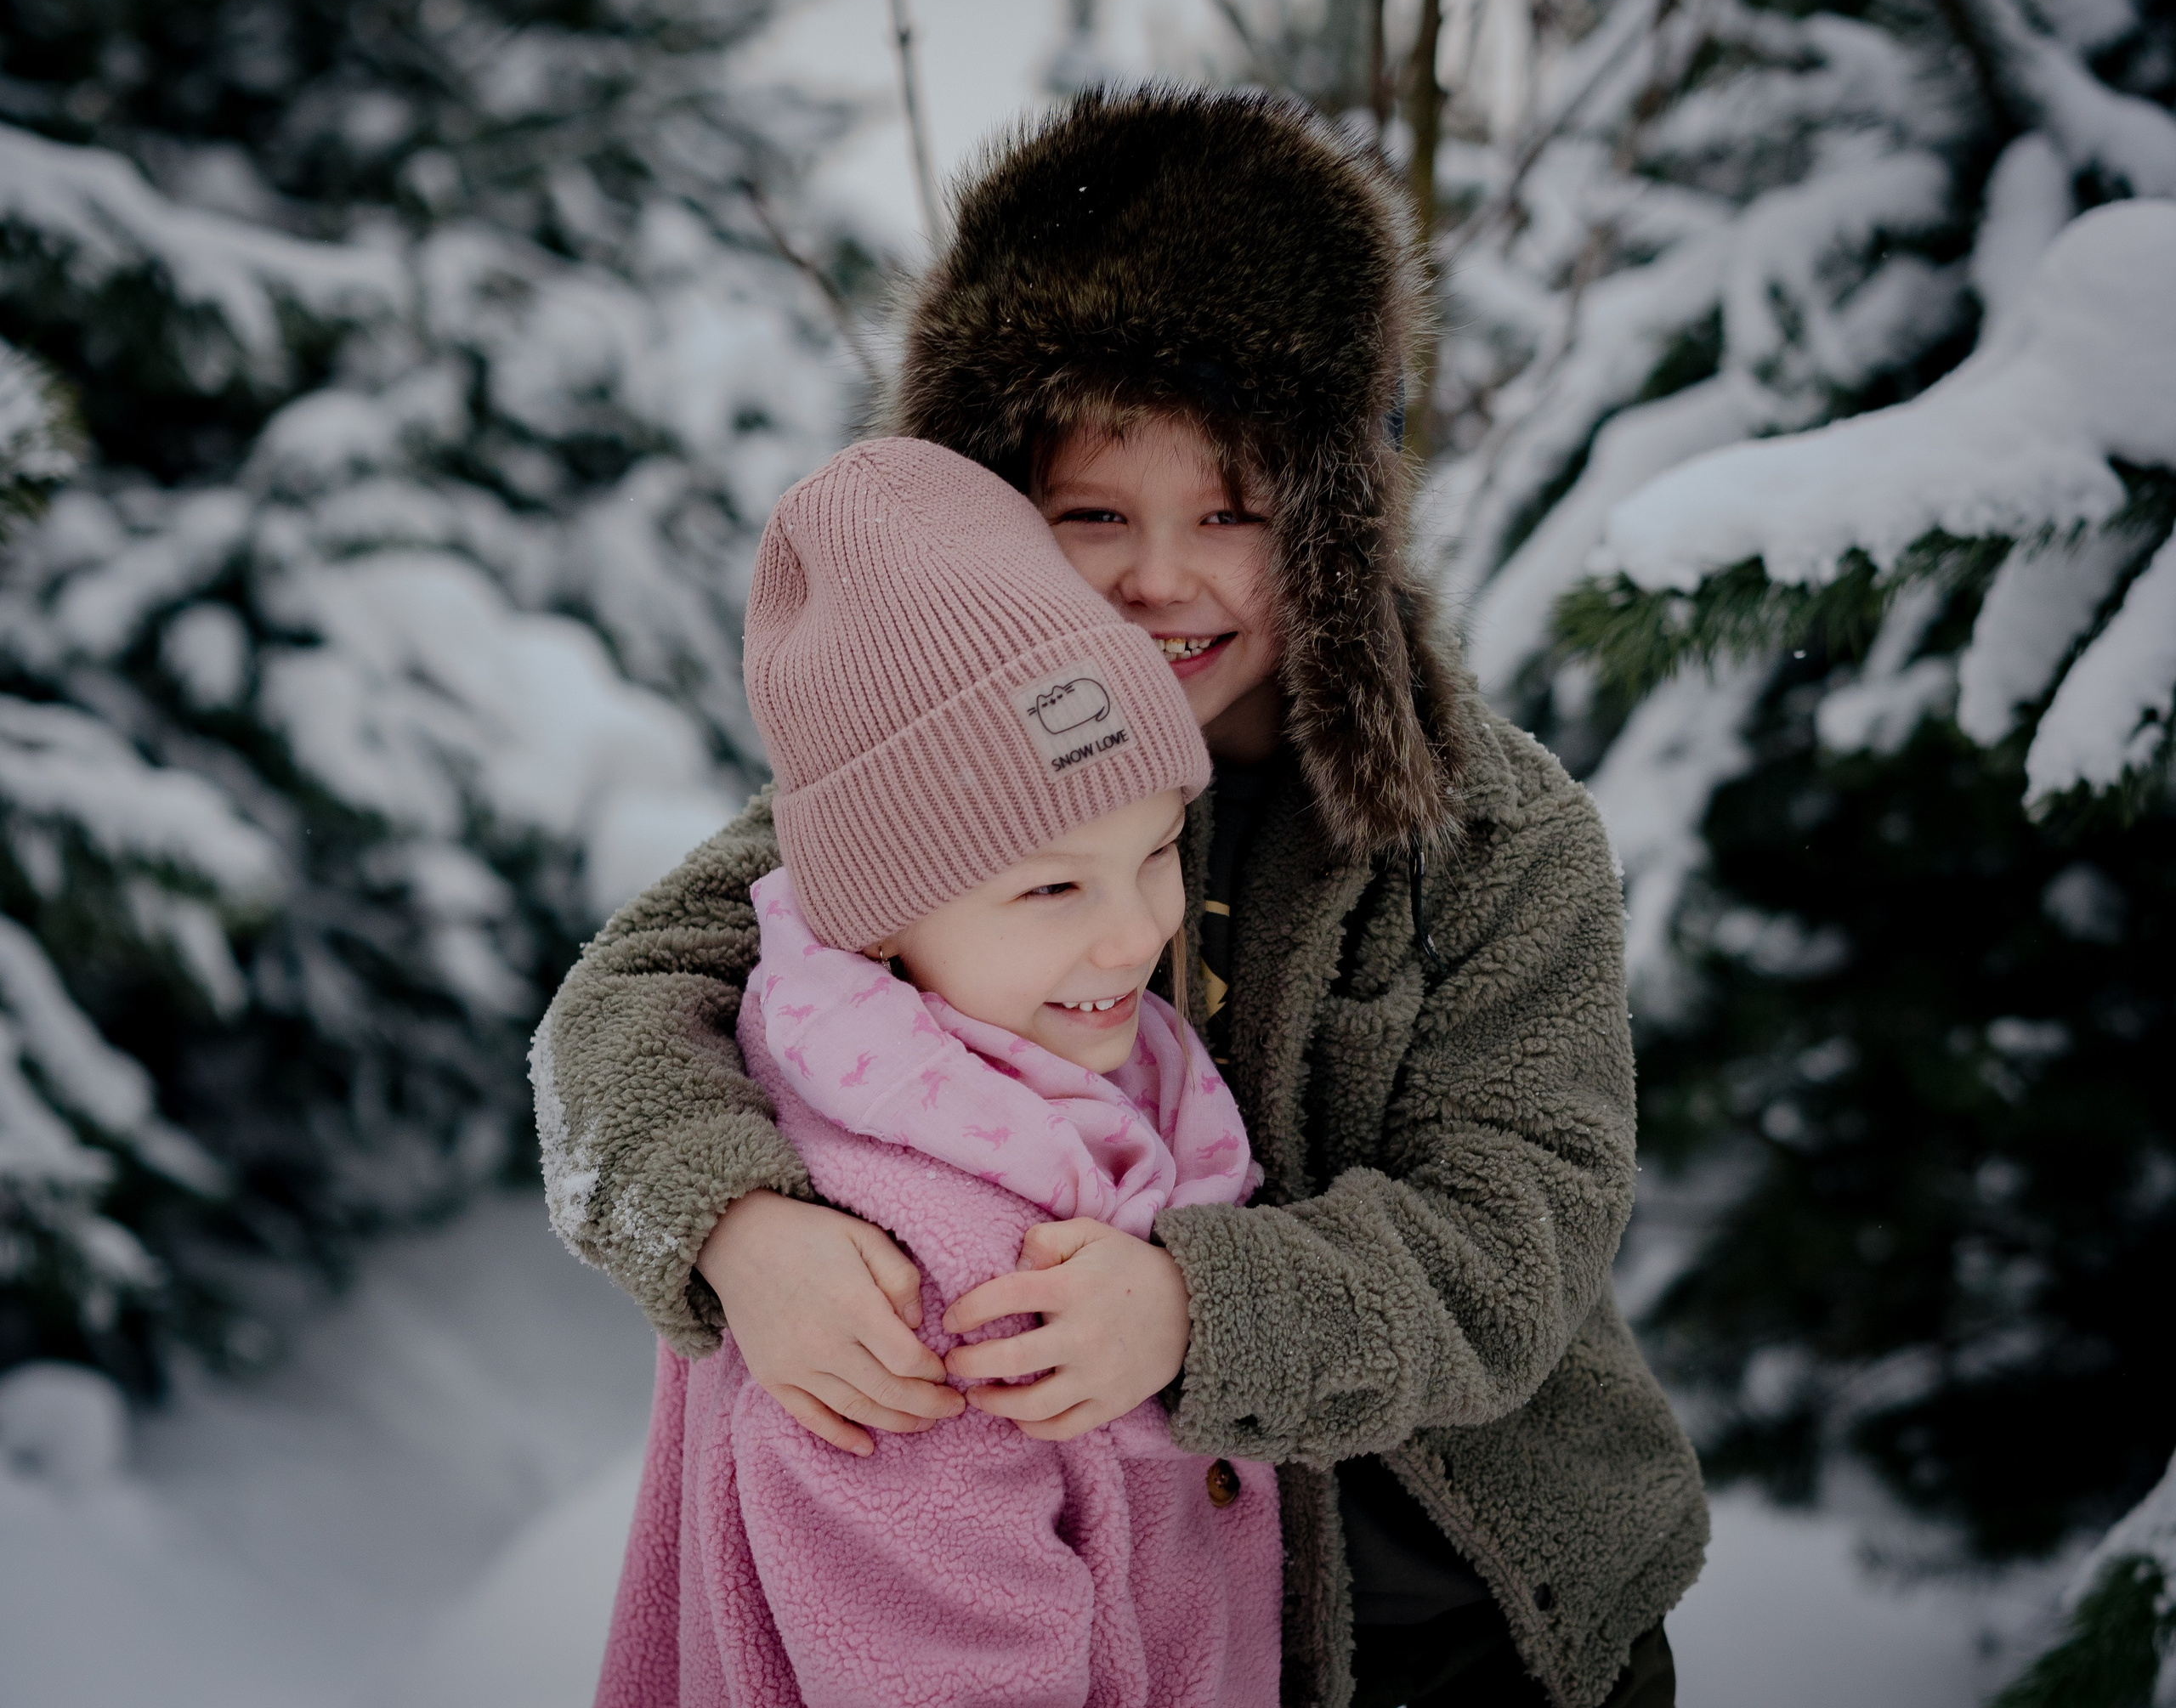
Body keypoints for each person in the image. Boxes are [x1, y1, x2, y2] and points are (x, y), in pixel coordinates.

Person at [537, 86, 1706, 1708]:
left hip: (1479, 1607)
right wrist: (736, 1228)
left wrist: (1196, 1309)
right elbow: (616, 1012)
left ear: (1331, 522)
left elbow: (1519, 1235)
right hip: (1146, 1625)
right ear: (998, 510)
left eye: (1231, 512)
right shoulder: (930, 802)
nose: (1164, 576)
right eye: (1095, 515)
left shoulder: (1490, 838)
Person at [593, 436, 1282, 1707]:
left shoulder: (1065, 1099)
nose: (1138, 933)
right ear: (880, 919)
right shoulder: (923, 1289)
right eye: (1053, 887)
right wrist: (727, 1221)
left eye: (1158, 853)